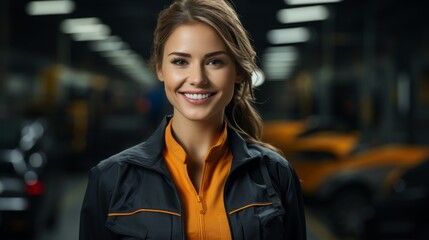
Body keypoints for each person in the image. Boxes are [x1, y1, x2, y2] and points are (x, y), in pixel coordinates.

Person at [79, 0, 307, 239]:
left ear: (238, 71)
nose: (197, 78)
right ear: (160, 69)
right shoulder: (110, 179)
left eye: (214, 62)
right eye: (180, 62)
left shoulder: (276, 174)